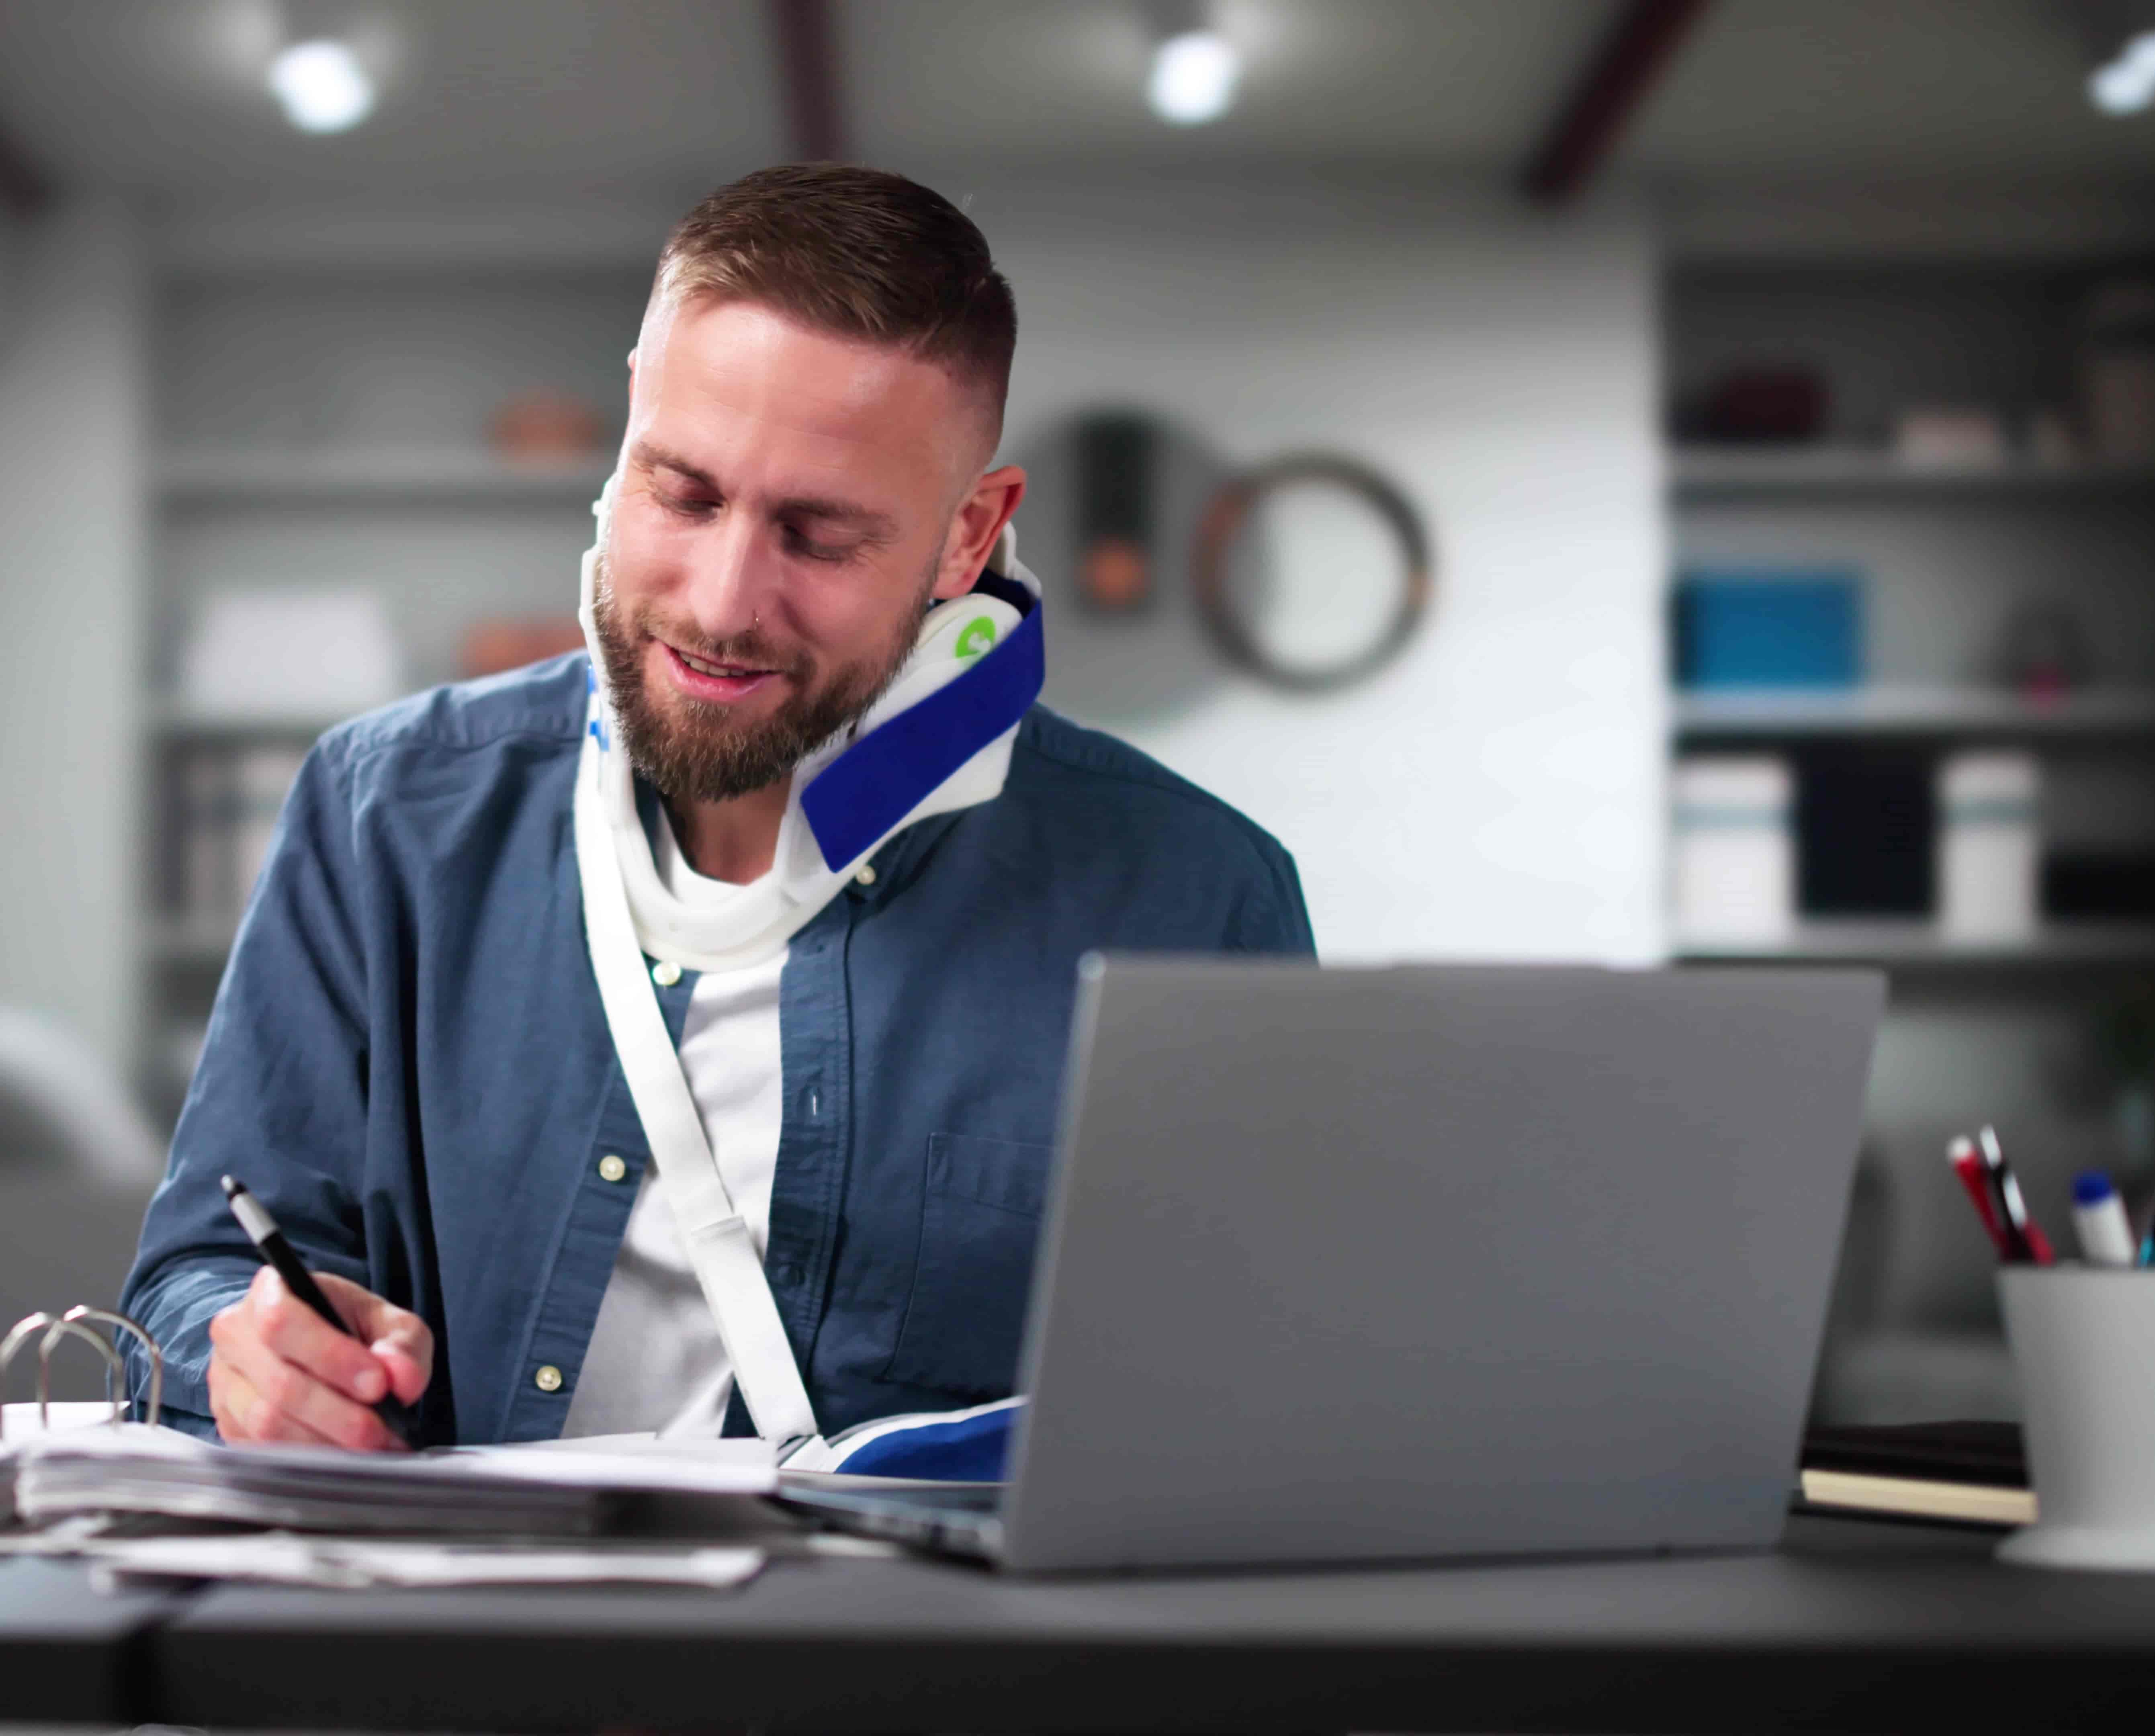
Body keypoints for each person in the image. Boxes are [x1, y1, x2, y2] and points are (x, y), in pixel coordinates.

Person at [122, 164, 1312, 1452]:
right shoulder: (385, 816)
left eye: (820, 536)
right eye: (682, 493)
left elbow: (1256, 1412)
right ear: (630, 428)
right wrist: (249, 1357)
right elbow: (193, 1282)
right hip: (450, 1631)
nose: (724, 602)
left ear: (969, 538)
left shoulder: (1197, 897)